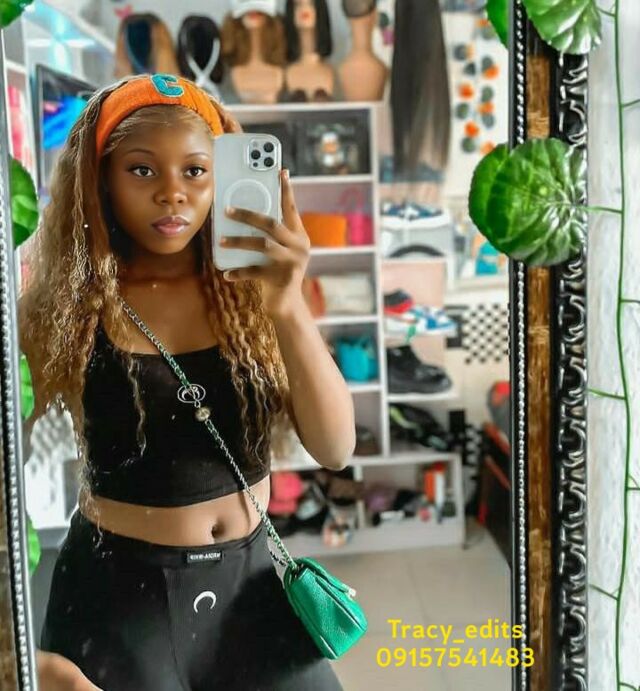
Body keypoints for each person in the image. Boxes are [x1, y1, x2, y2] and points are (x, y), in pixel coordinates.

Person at [19, 73, 355, 691]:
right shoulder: (63, 310)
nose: (172, 192)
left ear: (220, 177)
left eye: (195, 171)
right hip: (117, 601)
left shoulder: (253, 294)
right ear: (101, 180)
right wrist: (13, 655)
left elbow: (335, 448)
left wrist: (287, 304)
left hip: (251, 585)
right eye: (142, 170)